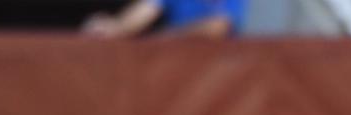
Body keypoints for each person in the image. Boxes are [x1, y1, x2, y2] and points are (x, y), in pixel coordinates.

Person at [83, 0, 242, 36]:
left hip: (225, 77)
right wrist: (115, 27)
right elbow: (146, 9)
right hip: (177, 71)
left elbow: (219, 27)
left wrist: (167, 35)